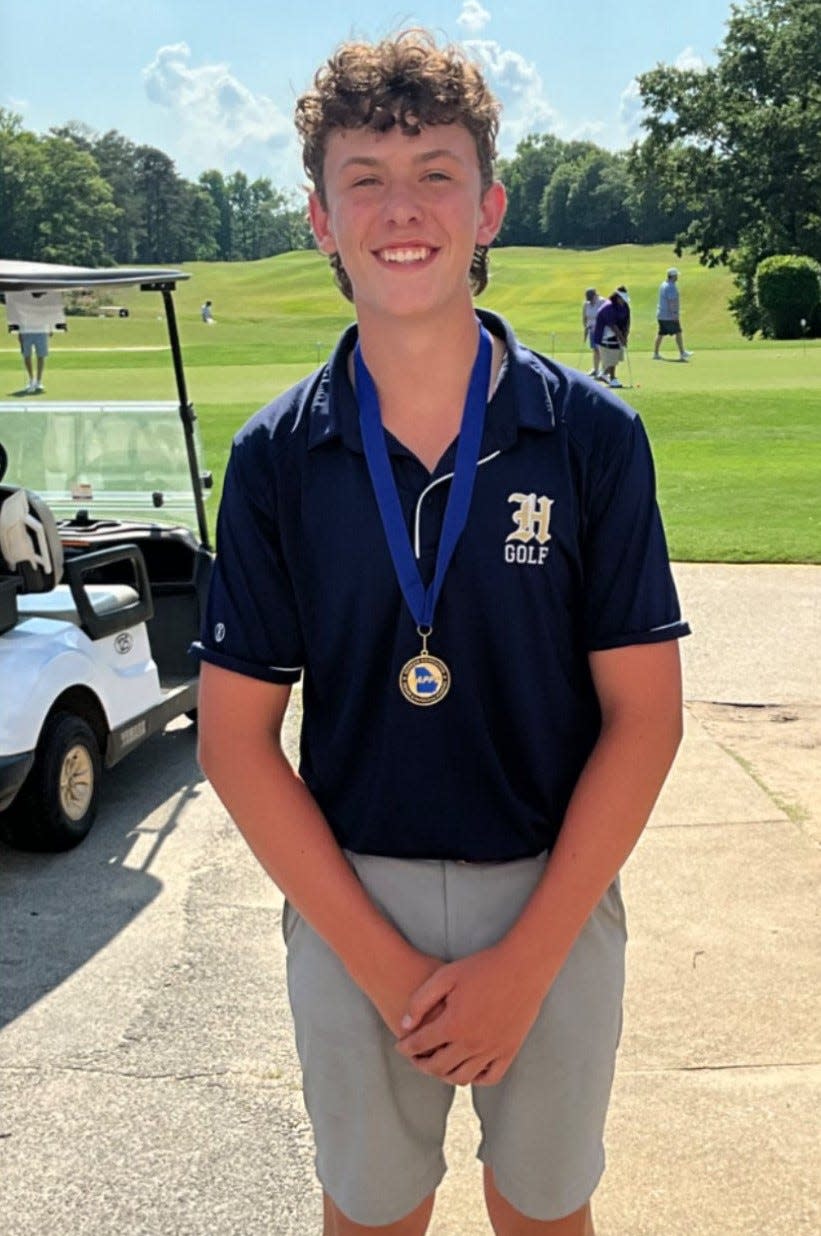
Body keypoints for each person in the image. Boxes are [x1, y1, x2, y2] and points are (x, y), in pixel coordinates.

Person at [195, 30, 688, 1236]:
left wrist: (524, 965)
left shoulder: (588, 438)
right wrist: (378, 964)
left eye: (435, 173)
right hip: (353, 888)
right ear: (318, 215)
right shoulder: (274, 456)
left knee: (540, 1209)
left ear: (489, 207)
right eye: (364, 177)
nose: (399, 207)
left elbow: (644, 716)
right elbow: (236, 741)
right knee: (368, 1216)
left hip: (550, 893)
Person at [592, 286, 631, 388]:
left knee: (617, 355)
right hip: (604, 334)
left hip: (616, 334)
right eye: (622, 299)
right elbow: (613, 325)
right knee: (612, 356)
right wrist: (621, 338)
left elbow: (627, 322)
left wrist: (625, 335)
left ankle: (604, 374)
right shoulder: (608, 307)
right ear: (618, 297)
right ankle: (612, 378)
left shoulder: (625, 306)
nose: (624, 301)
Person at [653, 268, 692, 360]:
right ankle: (682, 353)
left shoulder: (663, 284)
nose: (677, 277)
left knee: (661, 333)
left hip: (661, 314)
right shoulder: (671, 287)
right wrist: (675, 314)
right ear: (673, 276)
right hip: (669, 316)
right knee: (678, 332)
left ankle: (656, 353)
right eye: (676, 275)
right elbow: (672, 302)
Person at [581, 287, 605, 377]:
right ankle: (596, 370)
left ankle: (604, 371)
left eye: (591, 298)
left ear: (595, 296)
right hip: (591, 330)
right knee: (595, 350)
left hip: (602, 330)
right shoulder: (586, 304)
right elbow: (584, 318)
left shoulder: (602, 302)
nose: (590, 301)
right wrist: (586, 329)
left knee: (601, 350)